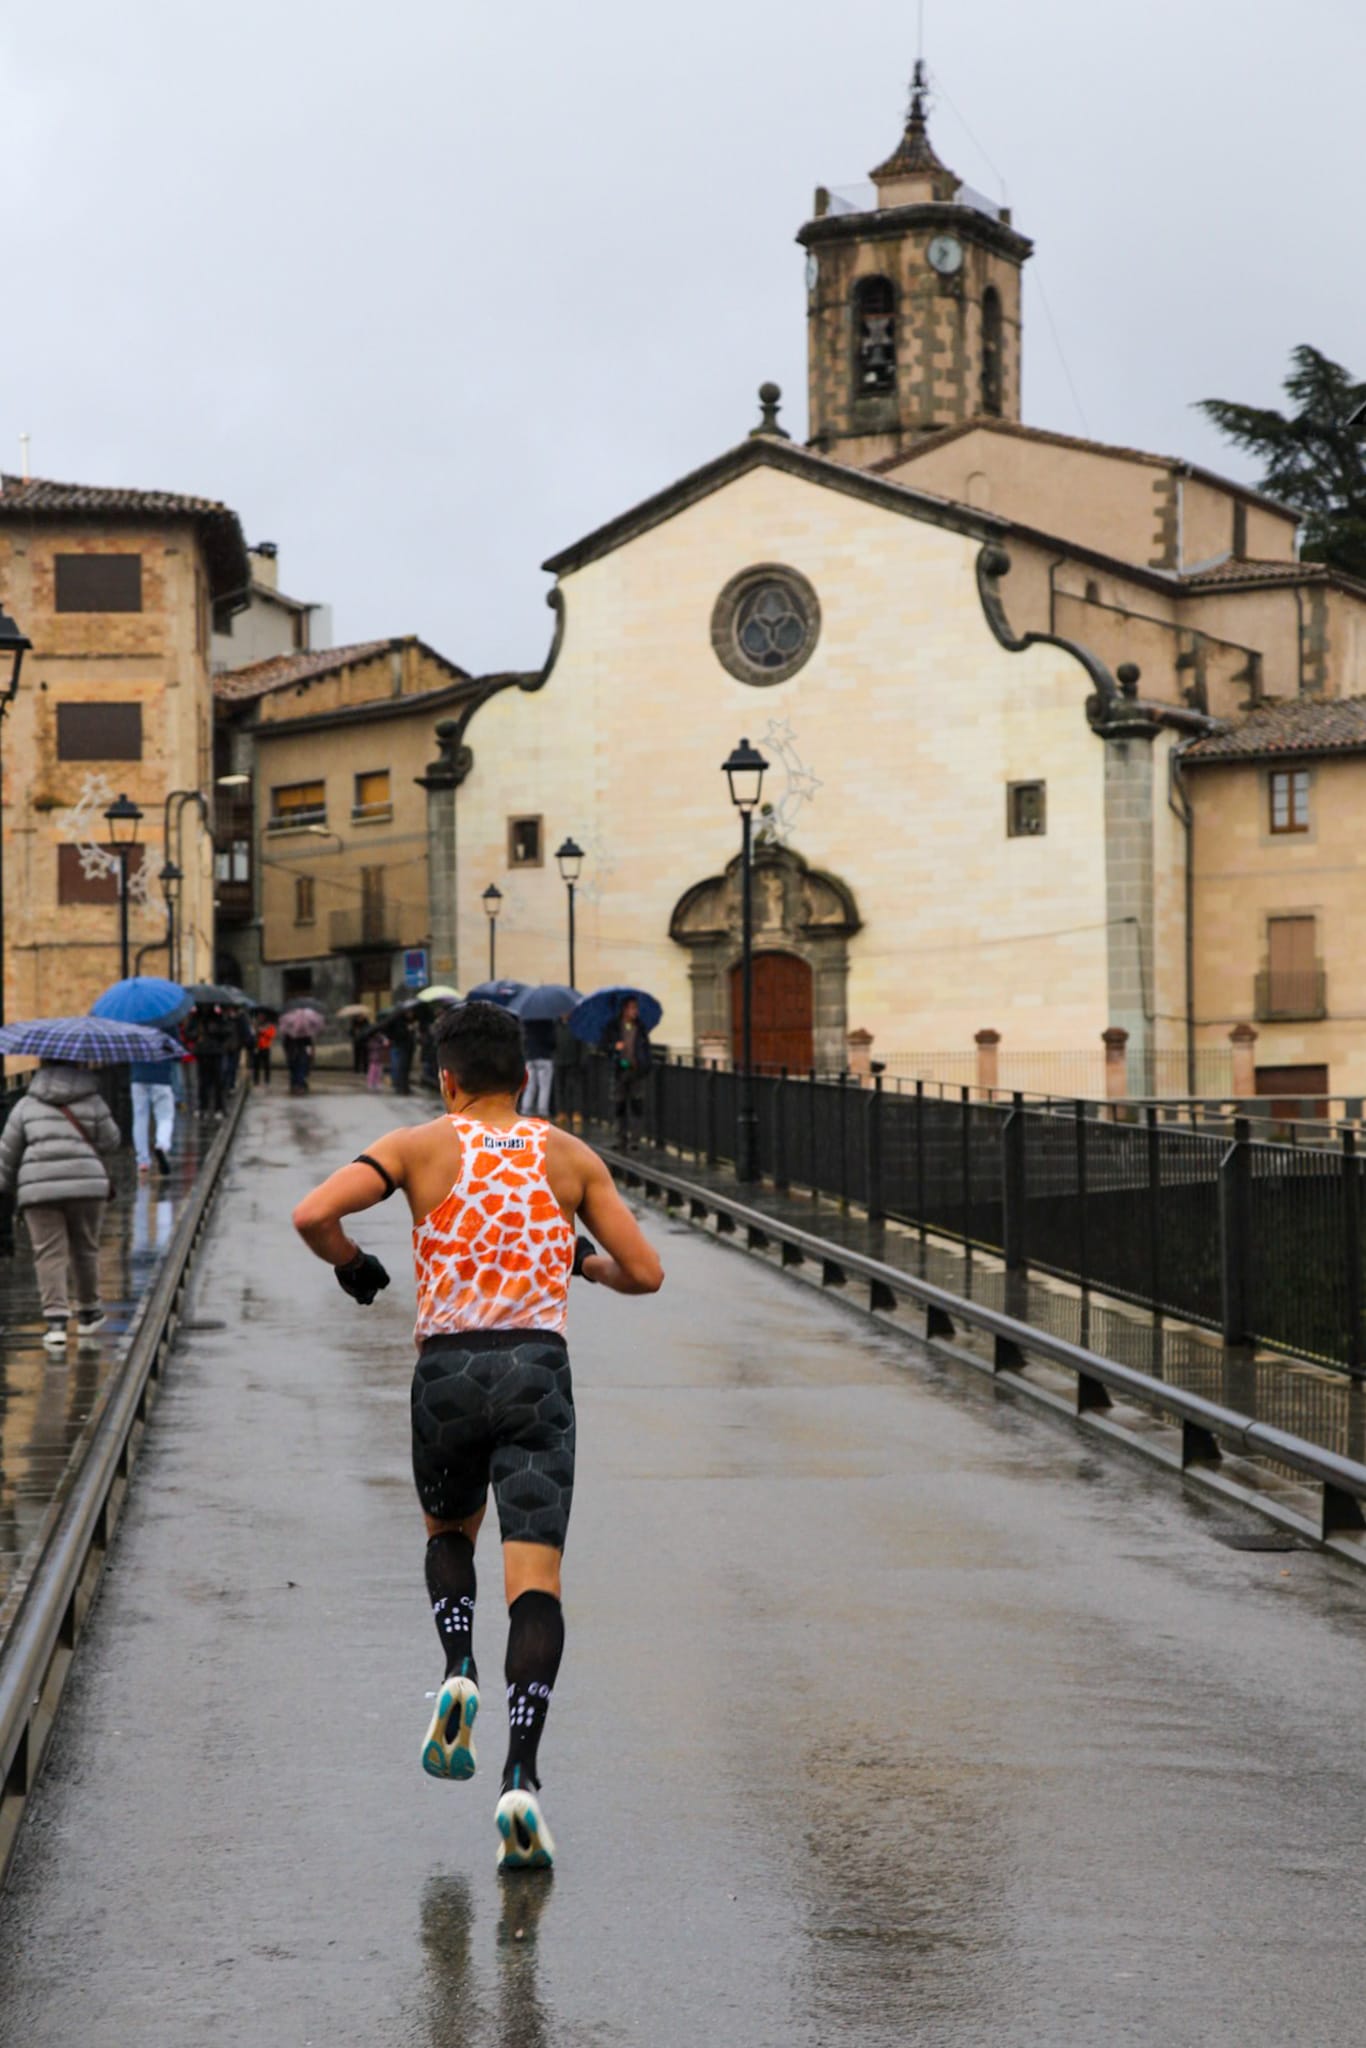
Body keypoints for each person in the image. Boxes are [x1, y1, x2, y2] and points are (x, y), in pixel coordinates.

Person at [292, 1000, 663, 1871]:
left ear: (448, 1078)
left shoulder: (419, 1146)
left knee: (449, 1535)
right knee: (535, 1585)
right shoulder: (569, 1157)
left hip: (448, 1373)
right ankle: (521, 1780)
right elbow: (645, 1273)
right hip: (538, 1373)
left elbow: (314, 1214)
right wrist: (581, 1262)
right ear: (524, 1076)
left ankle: (456, 1666)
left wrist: (355, 1264)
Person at [0, 1059, 121, 1352]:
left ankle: (55, 1323)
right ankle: (89, 1311)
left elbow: (7, 1151)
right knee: (86, 1247)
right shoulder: (93, 1100)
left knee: (48, 1253)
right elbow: (111, 1141)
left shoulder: (26, 1105)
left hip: (38, 1188)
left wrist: (6, 1188)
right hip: (87, 1187)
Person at [603, 996, 652, 1151]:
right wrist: (614, 1047)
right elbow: (604, 1046)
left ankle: (635, 1139)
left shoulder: (640, 1027)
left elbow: (646, 1048)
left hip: (636, 1070)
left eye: (636, 1008)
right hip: (620, 1071)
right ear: (624, 1009)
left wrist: (645, 1065)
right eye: (631, 1008)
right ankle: (620, 1137)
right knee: (620, 1105)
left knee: (637, 1104)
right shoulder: (614, 1027)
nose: (634, 1011)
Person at [129, 1044, 176, 1177]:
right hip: (161, 1076)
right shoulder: (167, 1023)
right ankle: (162, 1144)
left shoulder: (133, 1025)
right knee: (165, 1117)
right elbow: (176, 1048)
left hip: (138, 1076)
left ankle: (142, 1160)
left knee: (139, 1118)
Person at [519, 1013, 557, 1119]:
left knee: (530, 1085)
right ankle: (542, 1110)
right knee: (544, 1086)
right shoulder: (548, 1022)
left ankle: (525, 1109)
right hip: (544, 1057)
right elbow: (552, 1041)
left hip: (530, 1057)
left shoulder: (526, 1021)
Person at [389, 1008, 415, 1096]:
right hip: (401, 1048)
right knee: (401, 1068)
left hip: (408, 1048)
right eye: (409, 1012)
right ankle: (400, 1087)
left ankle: (405, 1087)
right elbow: (399, 1035)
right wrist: (408, 1030)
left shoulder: (408, 1022)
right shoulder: (400, 1023)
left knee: (406, 1069)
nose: (411, 1014)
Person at [285, 1031, 314, 1096]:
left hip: (293, 1055)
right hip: (300, 1055)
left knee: (295, 1071)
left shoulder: (289, 1033)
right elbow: (308, 1045)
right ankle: (299, 1086)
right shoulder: (306, 1033)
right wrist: (309, 1055)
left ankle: (295, 1086)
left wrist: (287, 1053)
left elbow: (285, 1044)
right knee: (299, 1071)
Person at [253, 1017, 277, 1087]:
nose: (261, 1018)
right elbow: (252, 1034)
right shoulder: (256, 1025)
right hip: (257, 1047)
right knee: (256, 1065)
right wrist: (256, 1031)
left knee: (267, 1065)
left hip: (266, 1047)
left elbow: (271, 1035)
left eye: (262, 1016)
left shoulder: (270, 1026)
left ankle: (267, 1080)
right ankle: (256, 1080)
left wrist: (263, 1031)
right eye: (260, 1016)